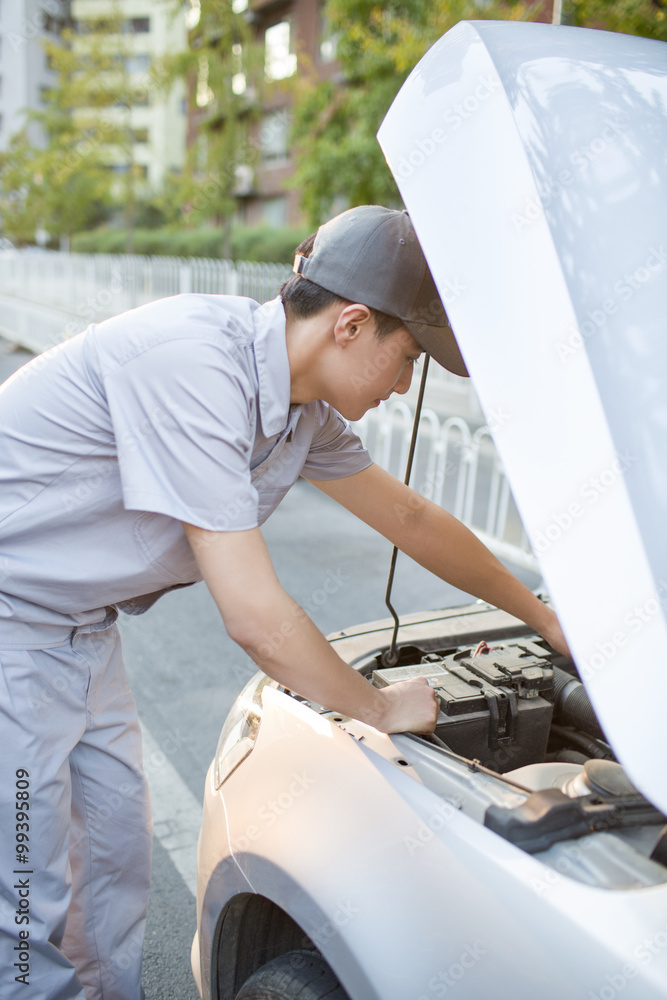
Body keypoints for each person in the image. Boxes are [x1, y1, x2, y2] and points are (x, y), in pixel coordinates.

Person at [0, 205, 568, 999]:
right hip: (11, 628)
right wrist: (375, 706)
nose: (405, 386)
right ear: (351, 325)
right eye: (406, 359)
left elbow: (408, 517)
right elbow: (257, 620)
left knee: (114, 869)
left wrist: (546, 617)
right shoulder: (193, 366)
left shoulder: (302, 414)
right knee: (24, 891)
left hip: (80, 632)